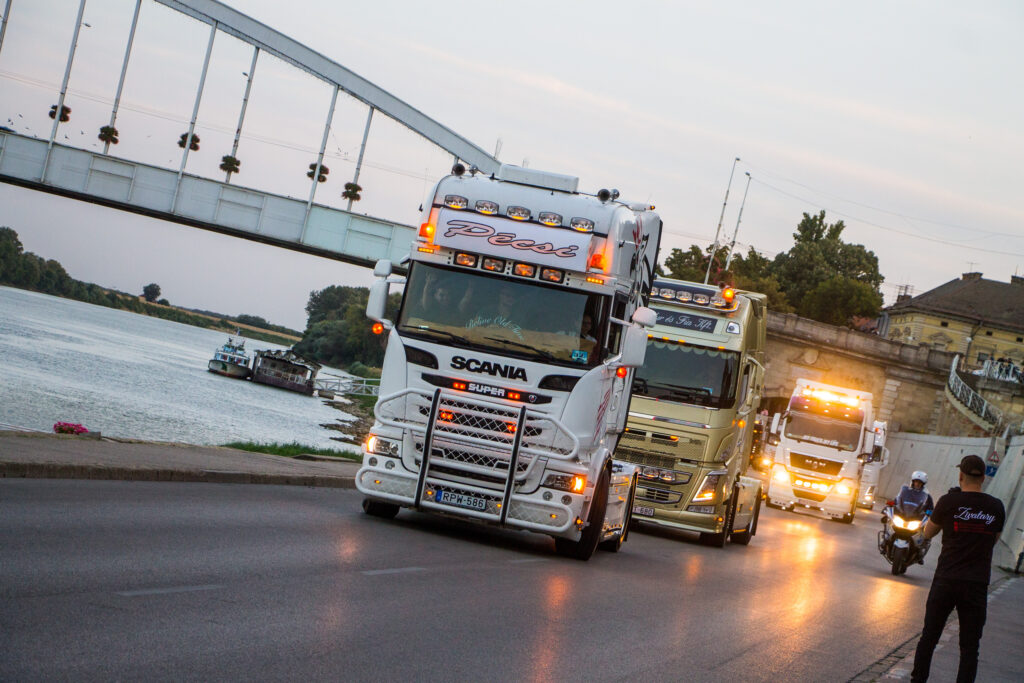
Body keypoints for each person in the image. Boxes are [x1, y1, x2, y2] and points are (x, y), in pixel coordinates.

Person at [910, 455, 1005, 683]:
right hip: (976, 584)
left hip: (947, 579)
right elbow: (992, 541)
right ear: (983, 478)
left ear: (960, 475)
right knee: (970, 647)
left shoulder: (948, 502)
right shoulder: (996, 507)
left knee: (929, 638)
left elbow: (928, 533)